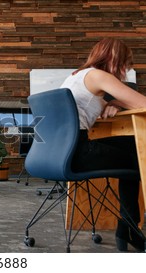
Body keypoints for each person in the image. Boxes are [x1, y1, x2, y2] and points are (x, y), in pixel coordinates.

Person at [60, 38, 146, 252]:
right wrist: (116, 101)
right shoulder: (99, 75)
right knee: (139, 154)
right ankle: (129, 229)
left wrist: (113, 102)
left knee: (132, 146)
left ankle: (129, 229)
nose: (126, 70)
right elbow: (143, 104)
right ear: (115, 58)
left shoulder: (76, 76)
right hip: (79, 152)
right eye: (126, 64)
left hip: (61, 151)